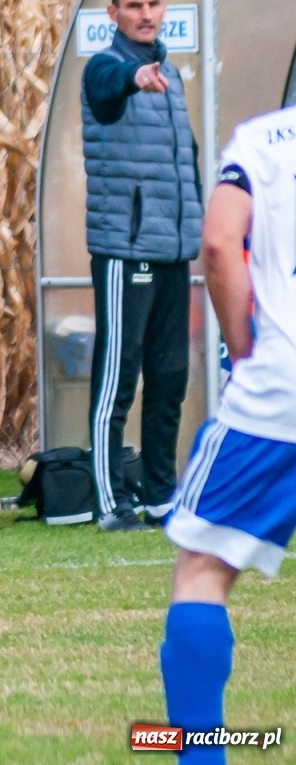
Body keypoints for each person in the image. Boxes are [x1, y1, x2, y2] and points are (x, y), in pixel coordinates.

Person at [158, 106, 296, 764]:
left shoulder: (265, 141)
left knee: (204, 570)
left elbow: (218, 244)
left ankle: (200, 755)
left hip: (282, 390)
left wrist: (244, 349)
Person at [80, 0, 202, 532]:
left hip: (174, 251)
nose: (146, 14)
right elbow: (108, 88)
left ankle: (159, 498)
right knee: (117, 379)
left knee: (170, 377)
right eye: (134, 6)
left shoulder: (171, 76)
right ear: (114, 14)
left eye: (154, 3)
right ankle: (112, 505)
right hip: (126, 251)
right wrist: (134, 80)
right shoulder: (107, 67)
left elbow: (186, 164)